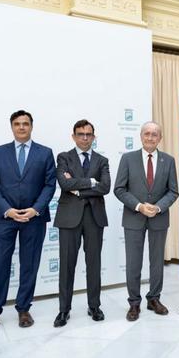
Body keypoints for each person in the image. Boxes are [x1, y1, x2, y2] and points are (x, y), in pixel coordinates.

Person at [0, 110, 56, 334]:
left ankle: (24, 308)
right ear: (11, 127)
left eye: (25, 124)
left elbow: (49, 185)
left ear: (31, 126)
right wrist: (8, 210)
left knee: (29, 263)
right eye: (17, 124)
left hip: (34, 218)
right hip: (6, 218)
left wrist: (35, 209)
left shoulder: (45, 153)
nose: (21, 127)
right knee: (0, 264)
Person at [114, 121, 179, 321]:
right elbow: (119, 189)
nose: (150, 137)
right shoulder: (128, 159)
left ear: (160, 138)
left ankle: (154, 299)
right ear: (141, 136)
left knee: (157, 262)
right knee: (133, 263)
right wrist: (139, 206)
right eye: (147, 134)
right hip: (134, 218)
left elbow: (173, 191)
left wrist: (158, 207)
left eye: (155, 134)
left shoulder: (168, 160)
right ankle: (134, 303)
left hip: (159, 219)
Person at [52, 119, 111, 327]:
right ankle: (63, 310)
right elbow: (64, 183)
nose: (84, 138)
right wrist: (90, 182)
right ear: (73, 136)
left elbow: (105, 187)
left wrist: (77, 188)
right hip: (69, 217)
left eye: (88, 134)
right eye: (80, 134)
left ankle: (94, 306)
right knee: (67, 264)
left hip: (94, 217)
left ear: (94, 137)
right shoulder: (64, 157)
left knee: (94, 263)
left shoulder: (102, 160)